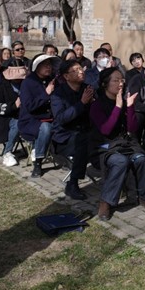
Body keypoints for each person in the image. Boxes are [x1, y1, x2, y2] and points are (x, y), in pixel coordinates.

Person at [89, 68, 145, 220]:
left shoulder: (124, 101)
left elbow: (132, 128)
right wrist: (118, 107)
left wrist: (130, 106)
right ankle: (106, 202)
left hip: (124, 144)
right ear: (105, 84)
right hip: (103, 146)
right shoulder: (97, 105)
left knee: (140, 158)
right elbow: (106, 130)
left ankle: (143, 196)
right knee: (120, 161)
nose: (120, 84)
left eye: (122, 80)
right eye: (116, 80)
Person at [51, 59, 94, 200]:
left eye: (81, 69)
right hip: (65, 137)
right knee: (82, 141)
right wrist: (82, 103)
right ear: (66, 76)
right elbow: (61, 118)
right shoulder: (58, 94)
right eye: (75, 70)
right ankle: (72, 184)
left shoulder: (87, 89)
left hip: (87, 132)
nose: (80, 72)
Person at [18, 54, 60, 178]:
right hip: (31, 121)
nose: (48, 67)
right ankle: (38, 162)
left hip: (51, 118)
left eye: (50, 65)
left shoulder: (52, 81)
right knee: (46, 127)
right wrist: (46, 93)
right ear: (37, 67)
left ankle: (67, 157)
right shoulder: (28, 83)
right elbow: (30, 106)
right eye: (45, 65)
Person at [0, 64, 26, 167]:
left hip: (25, 114)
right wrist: (14, 106)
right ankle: (7, 152)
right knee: (17, 123)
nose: (19, 80)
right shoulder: (1, 87)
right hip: (6, 117)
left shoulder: (26, 84)